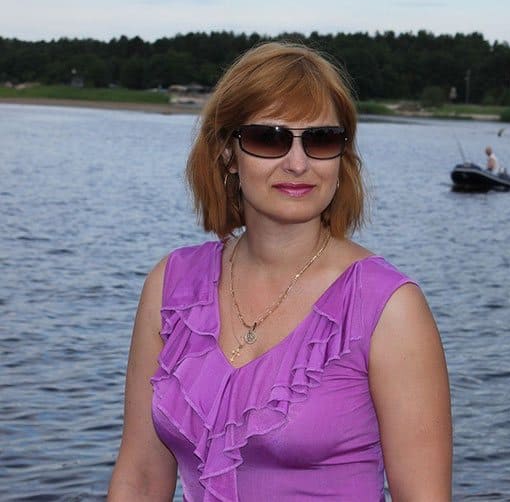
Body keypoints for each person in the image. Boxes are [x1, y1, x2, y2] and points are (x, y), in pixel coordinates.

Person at [107, 41, 452, 501]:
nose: (298, 163)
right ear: (228, 153)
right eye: (269, 138)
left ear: (341, 156)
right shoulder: (171, 286)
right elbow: (140, 478)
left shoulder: (389, 308)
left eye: (321, 139)